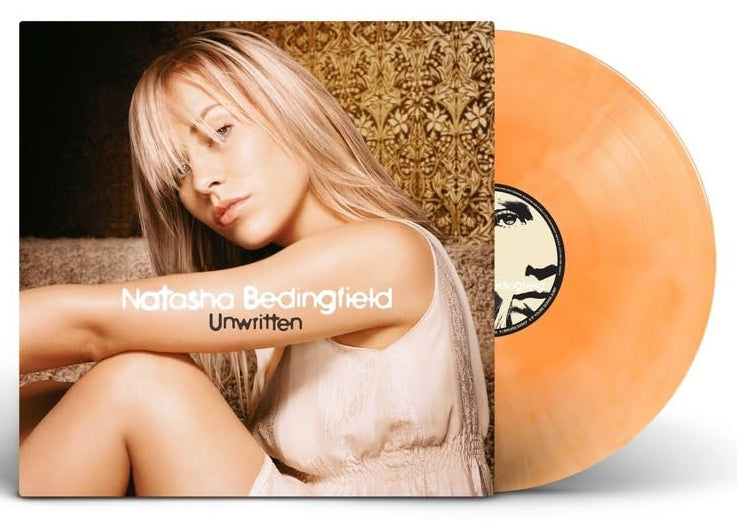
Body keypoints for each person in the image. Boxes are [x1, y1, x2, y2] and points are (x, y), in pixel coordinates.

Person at [19, 28, 491, 496]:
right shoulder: (281, 328)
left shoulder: (387, 255)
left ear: (288, 109)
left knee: (139, 379)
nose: (201, 181)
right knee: (33, 405)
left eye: (220, 131)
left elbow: (93, 325)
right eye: (179, 170)